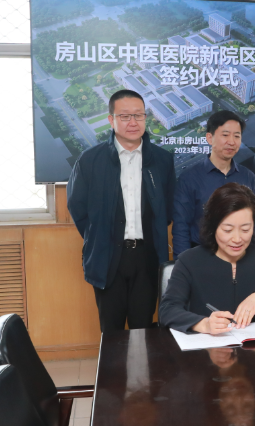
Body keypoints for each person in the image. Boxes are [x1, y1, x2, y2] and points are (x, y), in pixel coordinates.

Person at [67, 89, 175, 332]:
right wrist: (100, 236)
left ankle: (141, 361)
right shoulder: (90, 160)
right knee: (111, 331)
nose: (133, 122)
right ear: (111, 119)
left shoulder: (162, 160)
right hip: (108, 257)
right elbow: (77, 207)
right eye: (125, 116)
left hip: (147, 258)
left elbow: (167, 208)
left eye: (139, 115)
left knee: (143, 330)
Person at [159, 183, 255, 334]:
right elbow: (167, 310)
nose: (237, 239)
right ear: (213, 227)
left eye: (245, 229)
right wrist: (203, 324)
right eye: (227, 230)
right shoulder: (189, 261)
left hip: (252, 345)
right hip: (206, 345)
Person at [172, 110, 255, 257]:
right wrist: (183, 265)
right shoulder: (189, 178)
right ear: (209, 138)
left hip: (240, 257)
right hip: (202, 257)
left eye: (237, 136)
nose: (231, 142)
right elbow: (181, 227)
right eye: (225, 135)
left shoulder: (247, 176)